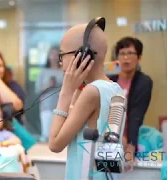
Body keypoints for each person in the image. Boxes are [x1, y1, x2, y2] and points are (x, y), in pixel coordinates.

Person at [48, 21, 124, 179]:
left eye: (62, 55)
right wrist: (75, 88)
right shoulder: (114, 88)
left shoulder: (92, 92)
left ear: (82, 55)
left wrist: (65, 92)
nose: (61, 62)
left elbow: (55, 144)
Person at [109, 37, 153, 154]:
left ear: (139, 58)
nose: (126, 58)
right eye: (122, 54)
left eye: (130, 53)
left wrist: (131, 144)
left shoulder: (144, 82)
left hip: (129, 138)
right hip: (107, 135)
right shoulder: (110, 81)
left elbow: (136, 114)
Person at [35, 46, 64, 142]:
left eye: (56, 54)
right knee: (46, 134)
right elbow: (38, 90)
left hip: (61, 106)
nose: (54, 57)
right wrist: (49, 85)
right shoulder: (43, 72)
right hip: (46, 106)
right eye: (52, 54)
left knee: (59, 133)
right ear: (48, 56)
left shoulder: (64, 71)